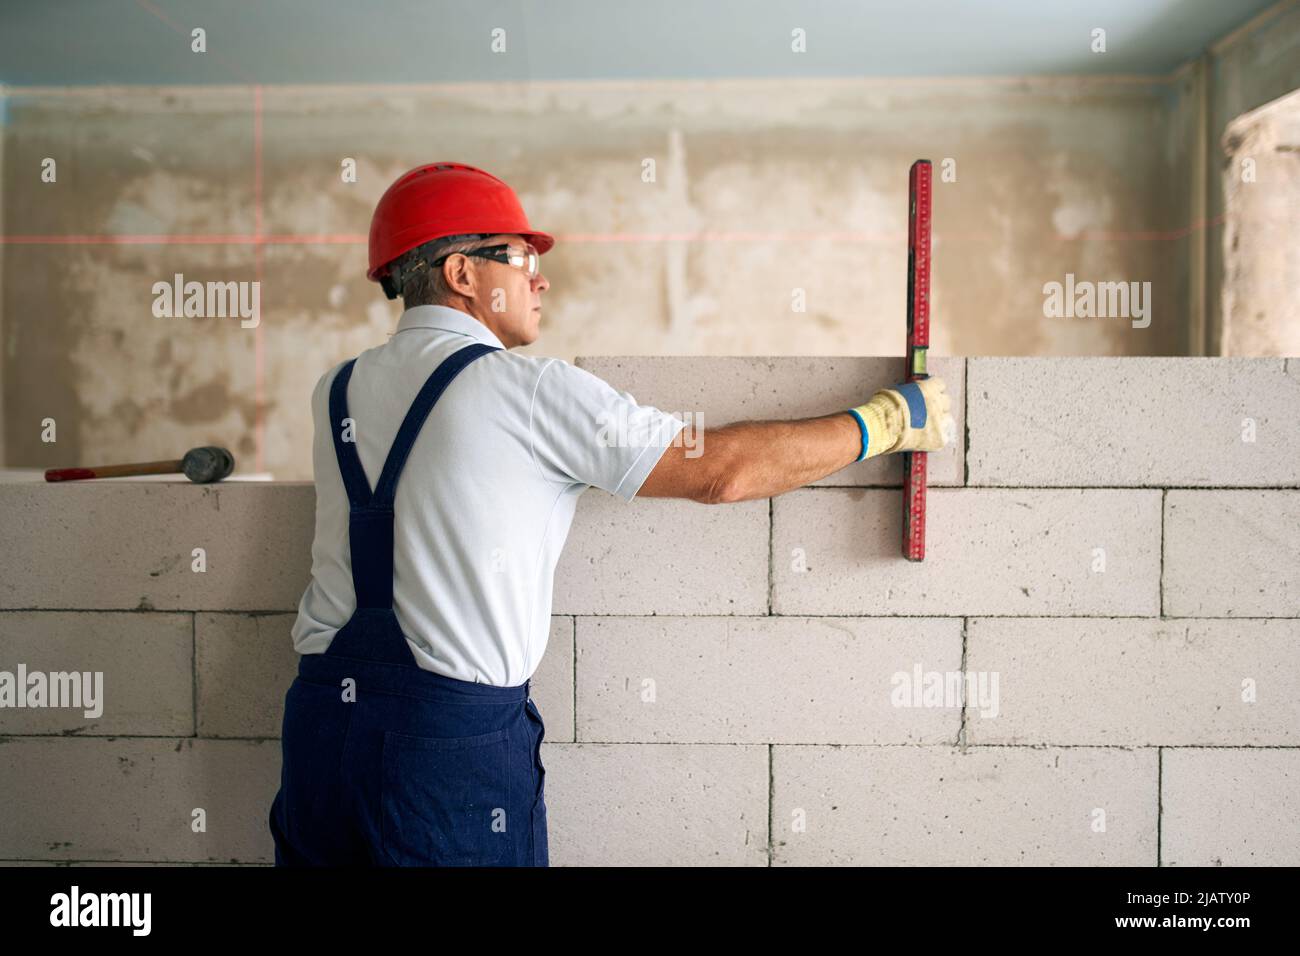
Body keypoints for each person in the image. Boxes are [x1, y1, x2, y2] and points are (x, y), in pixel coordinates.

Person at [268, 161, 952, 867]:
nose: (541, 279)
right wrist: (886, 422)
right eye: (522, 257)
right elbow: (720, 471)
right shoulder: (529, 390)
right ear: (462, 273)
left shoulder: (336, 390)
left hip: (321, 729)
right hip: (444, 752)